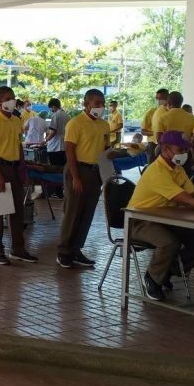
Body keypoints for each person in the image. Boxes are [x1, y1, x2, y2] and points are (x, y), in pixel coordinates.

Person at [127, 130, 194, 301]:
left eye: (186, 150)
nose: (184, 153)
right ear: (165, 149)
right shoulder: (157, 172)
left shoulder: (177, 169)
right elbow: (187, 200)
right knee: (169, 242)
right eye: (180, 149)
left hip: (167, 220)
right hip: (140, 220)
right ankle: (152, 279)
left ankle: (167, 271)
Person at [0, 86, 39, 265]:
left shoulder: (16, 120)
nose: (12, 100)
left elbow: (18, 146)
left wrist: (23, 169)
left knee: (17, 211)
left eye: (13, 97)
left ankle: (18, 249)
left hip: (14, 169)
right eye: (7, 98)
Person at [57, 89, 110, 269]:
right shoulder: (75, 123)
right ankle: (64, 251)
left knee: (87, 213)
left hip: (95, 171)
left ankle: (76, 249)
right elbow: (69, 151)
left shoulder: (104, 125)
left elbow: (105, 150)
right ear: (86, 104)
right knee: (73, 211)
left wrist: (106, 172)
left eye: (102, 103)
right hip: (78, 169)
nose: (100, 107)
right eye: (97, 103)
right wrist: (75, 177)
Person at [44, 98, 70, 197]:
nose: (51, 110)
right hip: (64, 146)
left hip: (55, 147)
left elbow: (53, 131)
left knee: (54, 170)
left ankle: (57, 192)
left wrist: (45, 140)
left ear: (53, 107)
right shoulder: (67, 116)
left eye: (51, 108)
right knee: (63, 170)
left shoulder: (55, 115)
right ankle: (63, 191)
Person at [141, 88, 169, 163]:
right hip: (153, 143)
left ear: (168, 98)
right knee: (152, 164)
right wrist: (156, 133)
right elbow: (143, 131)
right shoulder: (151, 112)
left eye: (161, 98)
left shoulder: (171, 112)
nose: (159, 100)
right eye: (157, 98)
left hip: (167, 144)